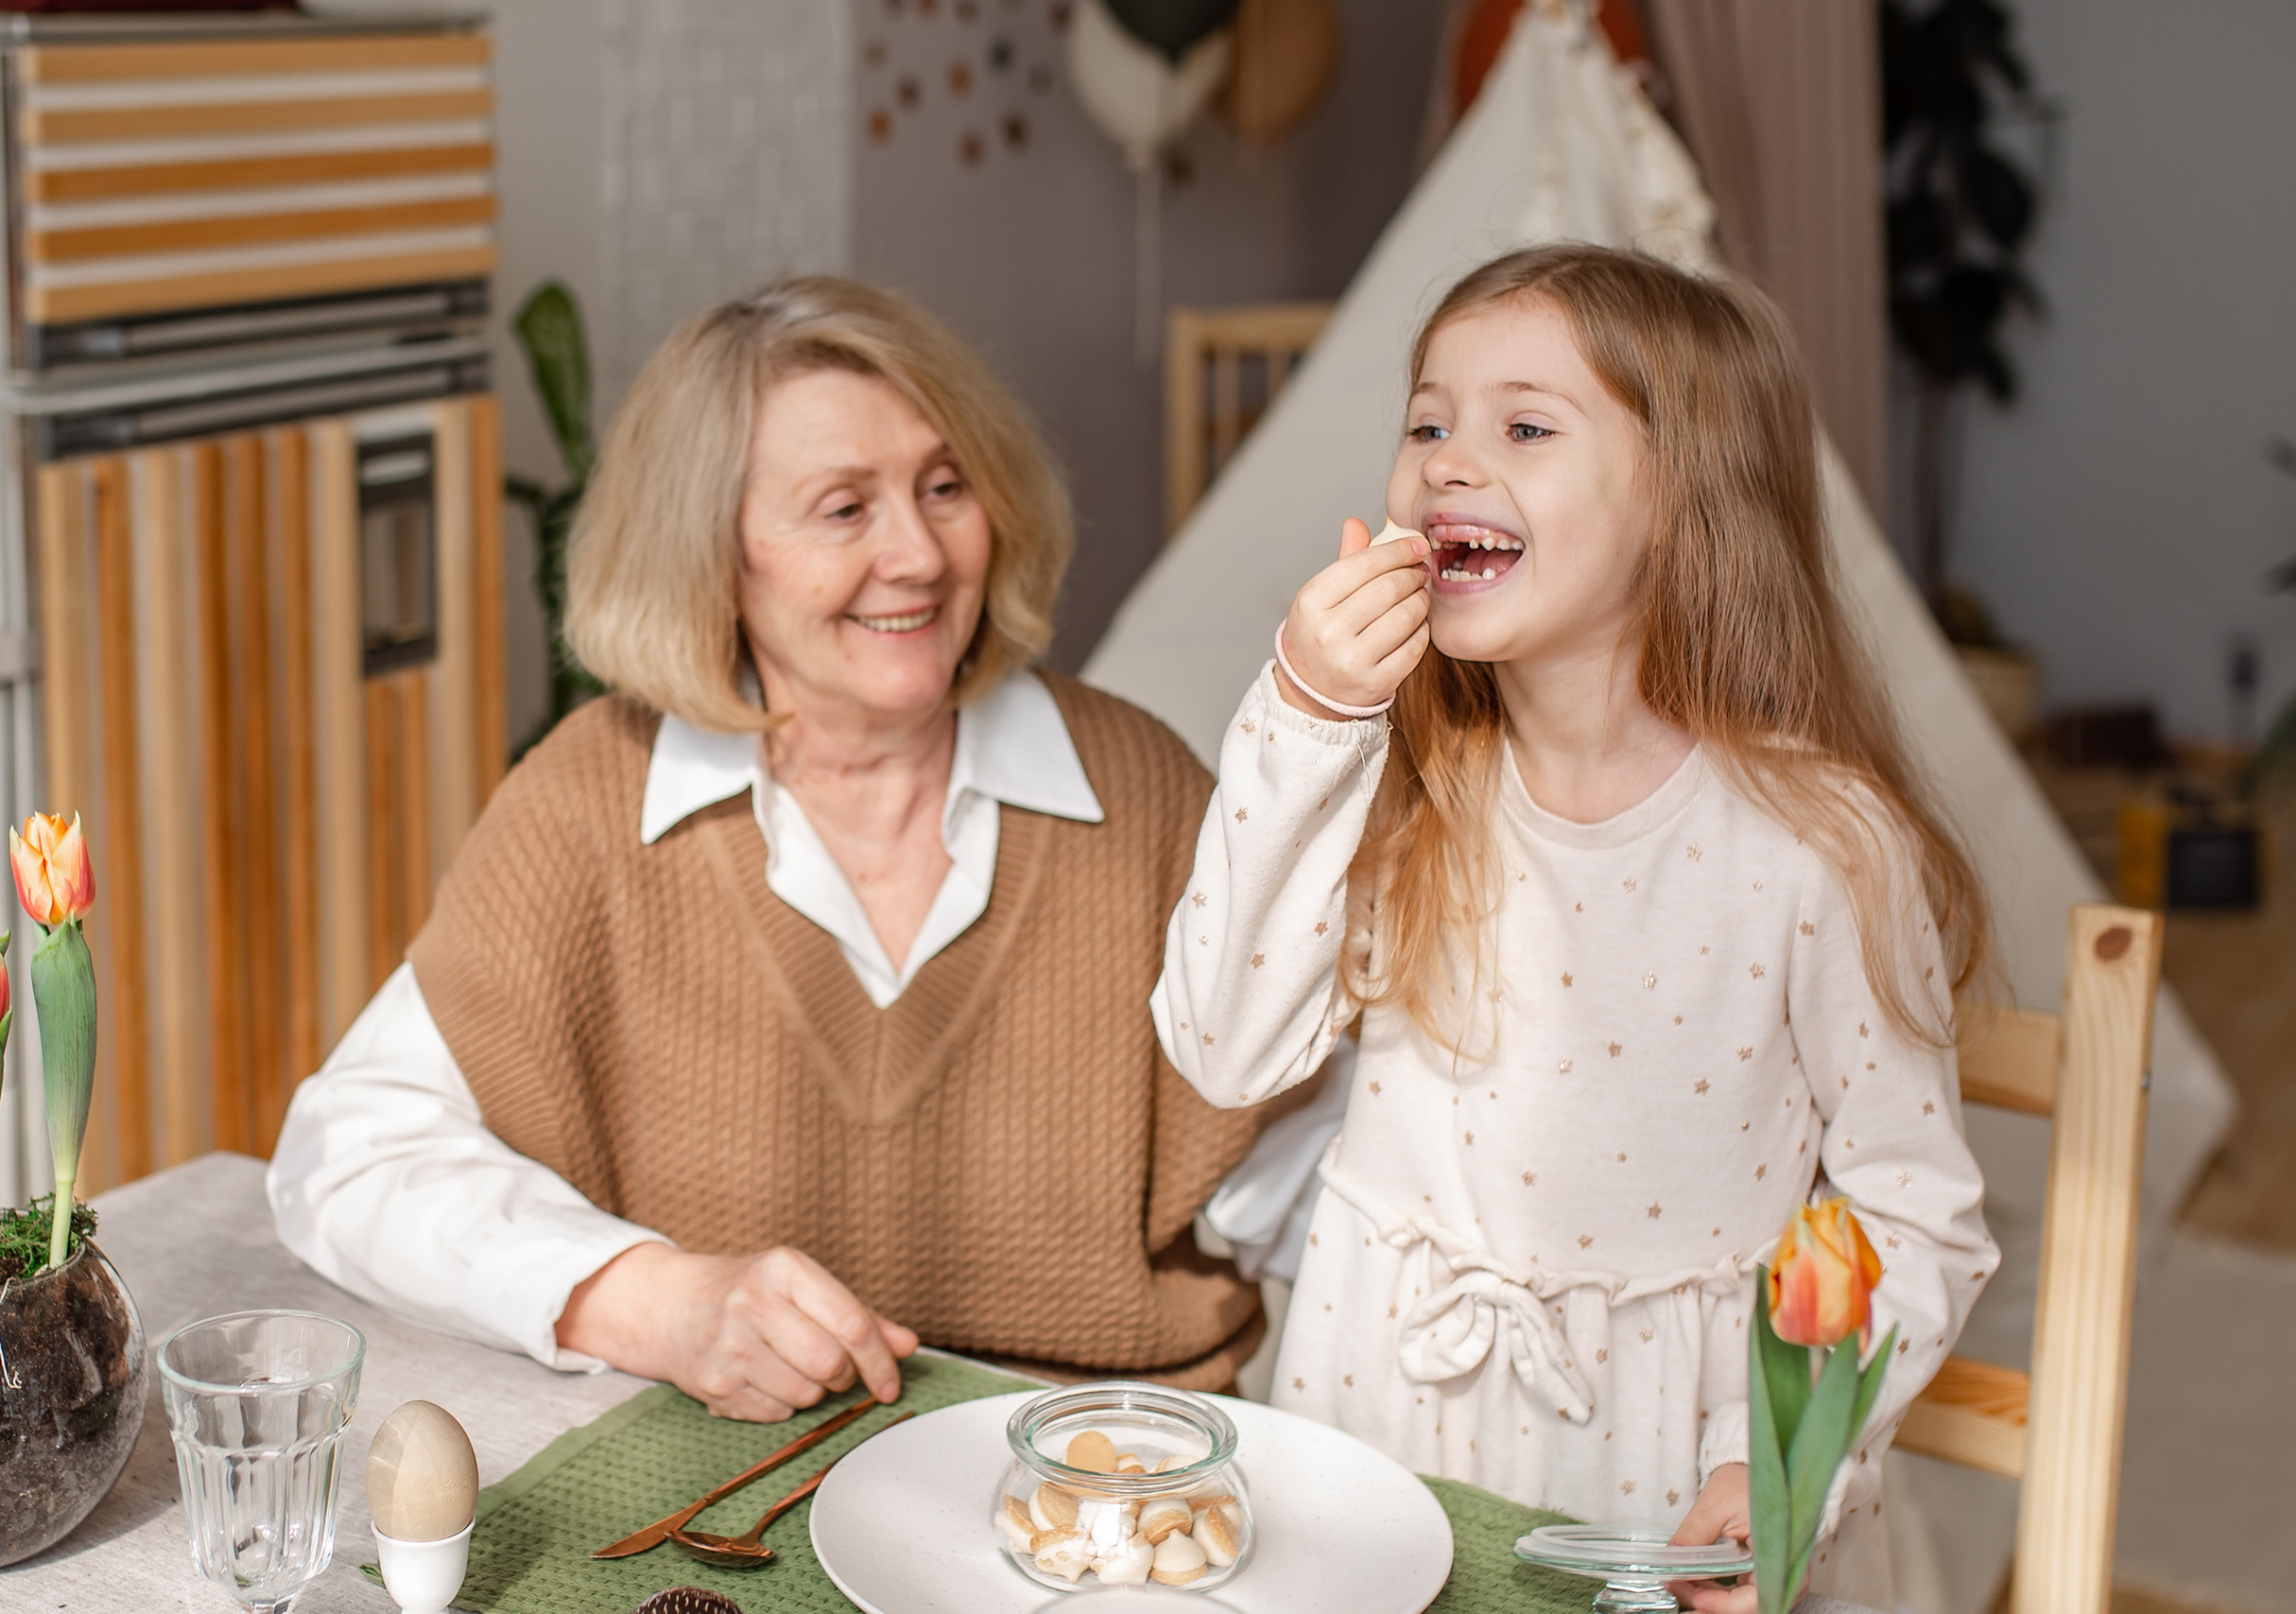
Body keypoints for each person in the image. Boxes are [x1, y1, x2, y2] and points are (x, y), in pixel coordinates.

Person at [269, 276, 1294, 1420]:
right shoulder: (593, 798)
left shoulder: (1139, 787)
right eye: (844, 508)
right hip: (721, 1476)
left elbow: (1307, 1172)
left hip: (1100, 1481)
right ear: (712, 554)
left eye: (945, 487)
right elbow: (345, 1157)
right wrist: (651, 1300)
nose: (917, 554)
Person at [1151, 244, 1998, 1607]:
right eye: (1427, 421)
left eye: (1525, 426)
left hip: (1671, 1469)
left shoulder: (1819, 846)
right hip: (1380, 1422)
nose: (1446, 461)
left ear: (1685, 497)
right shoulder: (1393, 782)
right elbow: (1220, 1050)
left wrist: (1776, 1468)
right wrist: (1304, 722)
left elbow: (1912, 1210)